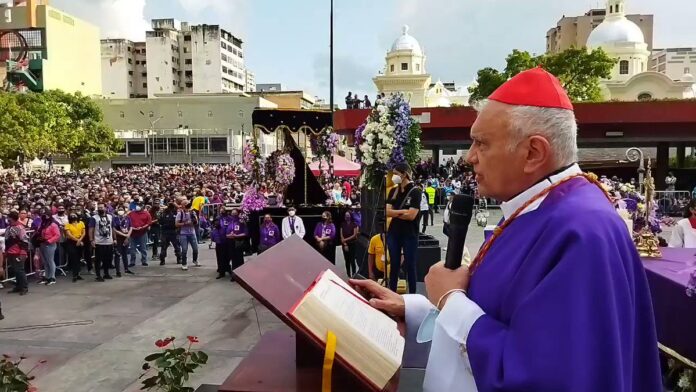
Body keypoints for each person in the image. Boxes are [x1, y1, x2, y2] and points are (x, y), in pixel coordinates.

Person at [351, 67, 661, 391]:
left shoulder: (582, 232)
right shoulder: (535, 207)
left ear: (533, 153)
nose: (469, 157)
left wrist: (451, 301)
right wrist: (416, 311)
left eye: (481, 144)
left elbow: (541, 376)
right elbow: (499, 314)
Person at [385, 163, 421, 294]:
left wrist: (396, 212)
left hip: (410, 234)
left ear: (404, 174)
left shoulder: (415, 191)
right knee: (394, 265)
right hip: (394, 233)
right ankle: (392, 293)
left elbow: (412, 215)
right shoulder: (394, 191)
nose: (394, 176)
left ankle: (413, 295)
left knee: (410, 265)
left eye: (396, 173)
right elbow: (387, 212)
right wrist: (402, 212)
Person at [5, 211, 29, 295]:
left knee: (20, 270)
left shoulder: (20, 227)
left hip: (18, 252)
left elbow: (25, 240)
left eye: (8, 217)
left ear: (11, 218)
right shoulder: (8, 228)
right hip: (10, 252)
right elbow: (7, 240)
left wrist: (23, 252)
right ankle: (18, 286)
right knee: (15, 270)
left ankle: (24, 287)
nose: (7, 219)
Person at [89, 203, 114, 282]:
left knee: (107, 259)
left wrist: (114, 238)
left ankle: (106, 273)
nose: (100, 209)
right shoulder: (94, 218)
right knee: (98, 260)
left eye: (102, 207)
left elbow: (112, 228)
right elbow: (91, 229)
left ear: (105, 208)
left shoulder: (110, 217)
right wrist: (91, 240)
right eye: (99, 208)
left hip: (109, 241)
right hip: (99, 242)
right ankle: (98, 275)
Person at [35, 209, 60, 285]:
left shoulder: (53, 224)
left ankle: (52, 277)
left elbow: (57, 235)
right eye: (43, 215)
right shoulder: (42, 224)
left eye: (46, 215)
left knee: (50, 261)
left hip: (50, 244)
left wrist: (49, 241)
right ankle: (47, 276)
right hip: (42, 243)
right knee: (45, 262)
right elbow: (39, 232)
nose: (44, 216)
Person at [176, 201, 199, 271]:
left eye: (187, 203)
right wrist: (185, 223)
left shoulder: (192, 212)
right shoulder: (180, 213)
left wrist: (193, 221)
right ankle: (184, 263)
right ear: (182, 205)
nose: (186, 205)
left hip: (192, 232)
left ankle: (195, 260)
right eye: (185, 204)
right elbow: (176, 224)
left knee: (195, 248)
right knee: (184, 249)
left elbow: (196, 222)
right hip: (183, 233)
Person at [128, 201, 152, 267]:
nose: (137, 207)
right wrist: (132, 228)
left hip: (142, 233)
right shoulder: (131, 213)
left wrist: (142, 227)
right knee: (132, 249)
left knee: (143, 248)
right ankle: (132, 262)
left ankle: (144, 261)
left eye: (139, 205)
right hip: (133, 233)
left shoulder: (146, 214)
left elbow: (149, 223)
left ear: (142, 206)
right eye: (137, 205)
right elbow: (128, 222)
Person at [112, 207, 134, 277]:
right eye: (119, 210)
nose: (120, 211)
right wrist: (123, 235)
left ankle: (126, 269)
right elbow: (114, 229)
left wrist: (127, 236)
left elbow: (130, 227)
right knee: (118, 254)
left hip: (126, 237)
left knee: (125, 254)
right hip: (118, 238)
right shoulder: (115, 219)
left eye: (121, 210)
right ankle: (118, 271)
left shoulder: (127, 218)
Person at [64, 213, 86, 282]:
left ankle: (78, 274)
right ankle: (74, 275)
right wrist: (77, 240)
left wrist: (80, 240)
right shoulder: (67, 225)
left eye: (74, 215)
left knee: (79, 258)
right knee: (74, 258)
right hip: (71, 242)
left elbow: (83, 232)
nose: (73, 216)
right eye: (71, 215)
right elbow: (69, 234)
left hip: (80, 241)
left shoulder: (81, 223)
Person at [340, 211, 359, 276]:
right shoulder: (342, 224)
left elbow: (354, 235)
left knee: (352, 260)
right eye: (346, 215)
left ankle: (354, 274)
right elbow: (341, 235)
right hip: (345, 245)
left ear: (350, 216)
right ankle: (348, 274)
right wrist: (345, 244)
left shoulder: (354, 224)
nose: (347, 217)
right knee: (347, 260)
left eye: (348, 215)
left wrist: (345, 240)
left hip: (352, 244)